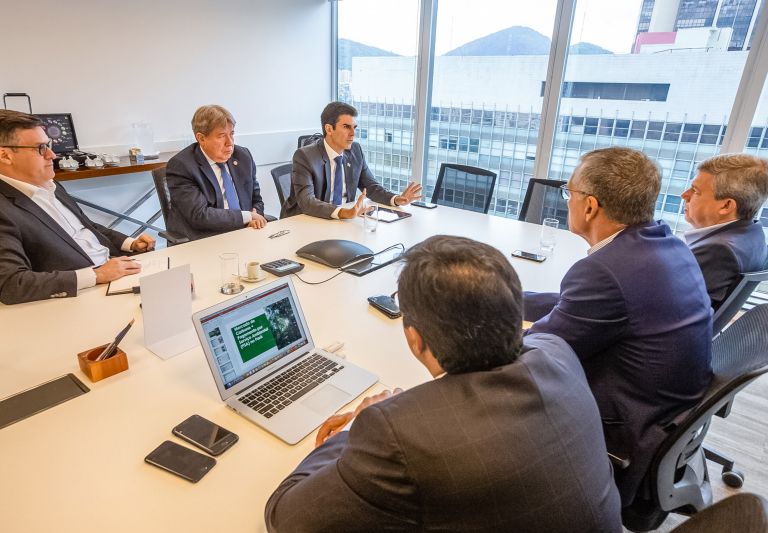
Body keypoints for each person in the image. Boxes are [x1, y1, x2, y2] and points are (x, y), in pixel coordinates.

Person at [265, 235, 622, 532]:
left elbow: (287, 517)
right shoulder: (557, 351)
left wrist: (356, 426)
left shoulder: (396, 435)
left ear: (414, 339)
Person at [524, 147, 712, 509]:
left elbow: (537, 350)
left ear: (590, 206)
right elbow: (579, 306)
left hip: (624, 422)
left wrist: (469, 325)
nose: (568, 202)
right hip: (664, 407)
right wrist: (506, 297)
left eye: (570, 193)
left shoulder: (604, 270)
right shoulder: (665, 243)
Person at [0, 110, 154, 305]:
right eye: (40, 148)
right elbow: (12, 285)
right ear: (4, 155)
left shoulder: (49, 185)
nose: (52, 155)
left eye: (48, 145)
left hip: (117, 272)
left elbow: (85, 227)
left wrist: (130, 243)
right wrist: (97, 275)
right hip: (79, 297)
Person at [281, 101, 422, 219]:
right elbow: (307, 202)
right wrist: (343, 213)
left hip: (344, 220)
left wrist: (396, 199)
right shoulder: (304, 156)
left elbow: (371, 187)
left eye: (354, 127)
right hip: (305, 221)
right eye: (346, 127)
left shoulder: (355, 151)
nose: (353, 133)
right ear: (329, 129)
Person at [681, 153, 768, 310]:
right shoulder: (753, 233)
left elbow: (668, 307)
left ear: (726, 206)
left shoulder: (717, 251)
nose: (684, 195)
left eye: (695, 191)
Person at [166, 105, 267, 240]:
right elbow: (200, 215)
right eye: (221, 136)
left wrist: (255, 216)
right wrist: (247, 216)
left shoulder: (243, 156)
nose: (230, 143)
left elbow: (256, 199)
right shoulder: (182, 166)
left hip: (245, 233)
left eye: (231, 134)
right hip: (205, 239)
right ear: (201, 138)